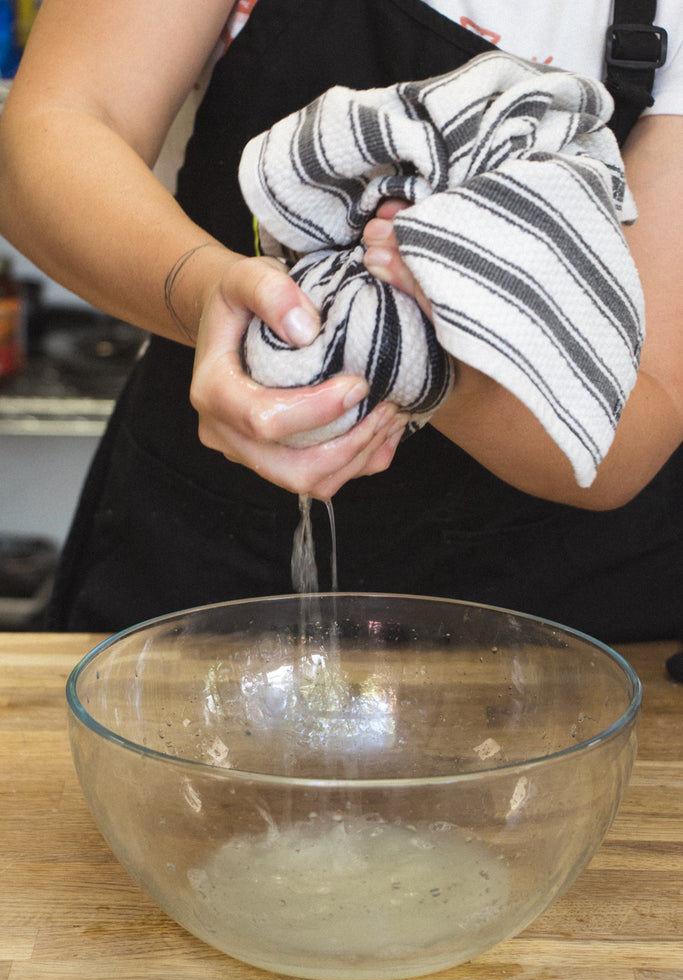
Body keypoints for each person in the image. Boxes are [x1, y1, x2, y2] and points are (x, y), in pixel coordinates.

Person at [0, 0, 681, 641]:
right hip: (207, 553)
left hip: (547, 617)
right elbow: (56, 128)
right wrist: (206, 293)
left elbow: (637, 414)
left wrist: (422, 359)